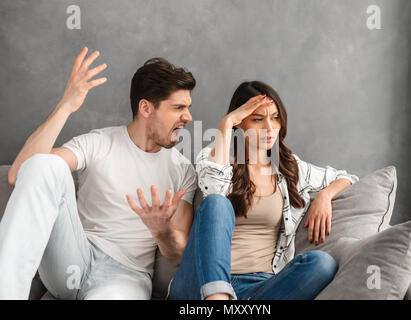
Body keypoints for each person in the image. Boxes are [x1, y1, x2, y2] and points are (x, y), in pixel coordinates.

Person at [0, 47, 197, 300]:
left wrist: (160, 232)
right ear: (146, 108)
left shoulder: (182, 171)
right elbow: (21, 173)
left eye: (188, 107)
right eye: (178, 107)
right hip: (72, 257)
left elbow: (179, 253)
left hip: (125, 277)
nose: (188, 117)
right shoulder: (99, 142)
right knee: (45, 164)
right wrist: (65, 106)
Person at [168, 81, 359, 300]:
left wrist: (325, 195)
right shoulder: (212, 157)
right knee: (217, 203)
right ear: (240, 123)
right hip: (200, 285)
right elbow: (214, 191)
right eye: (258, 119)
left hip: (257, 288)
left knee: (322, 263)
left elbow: (347, 177)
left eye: (275, 118)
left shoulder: (290, 170)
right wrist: (227, 123)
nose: (269, 128)